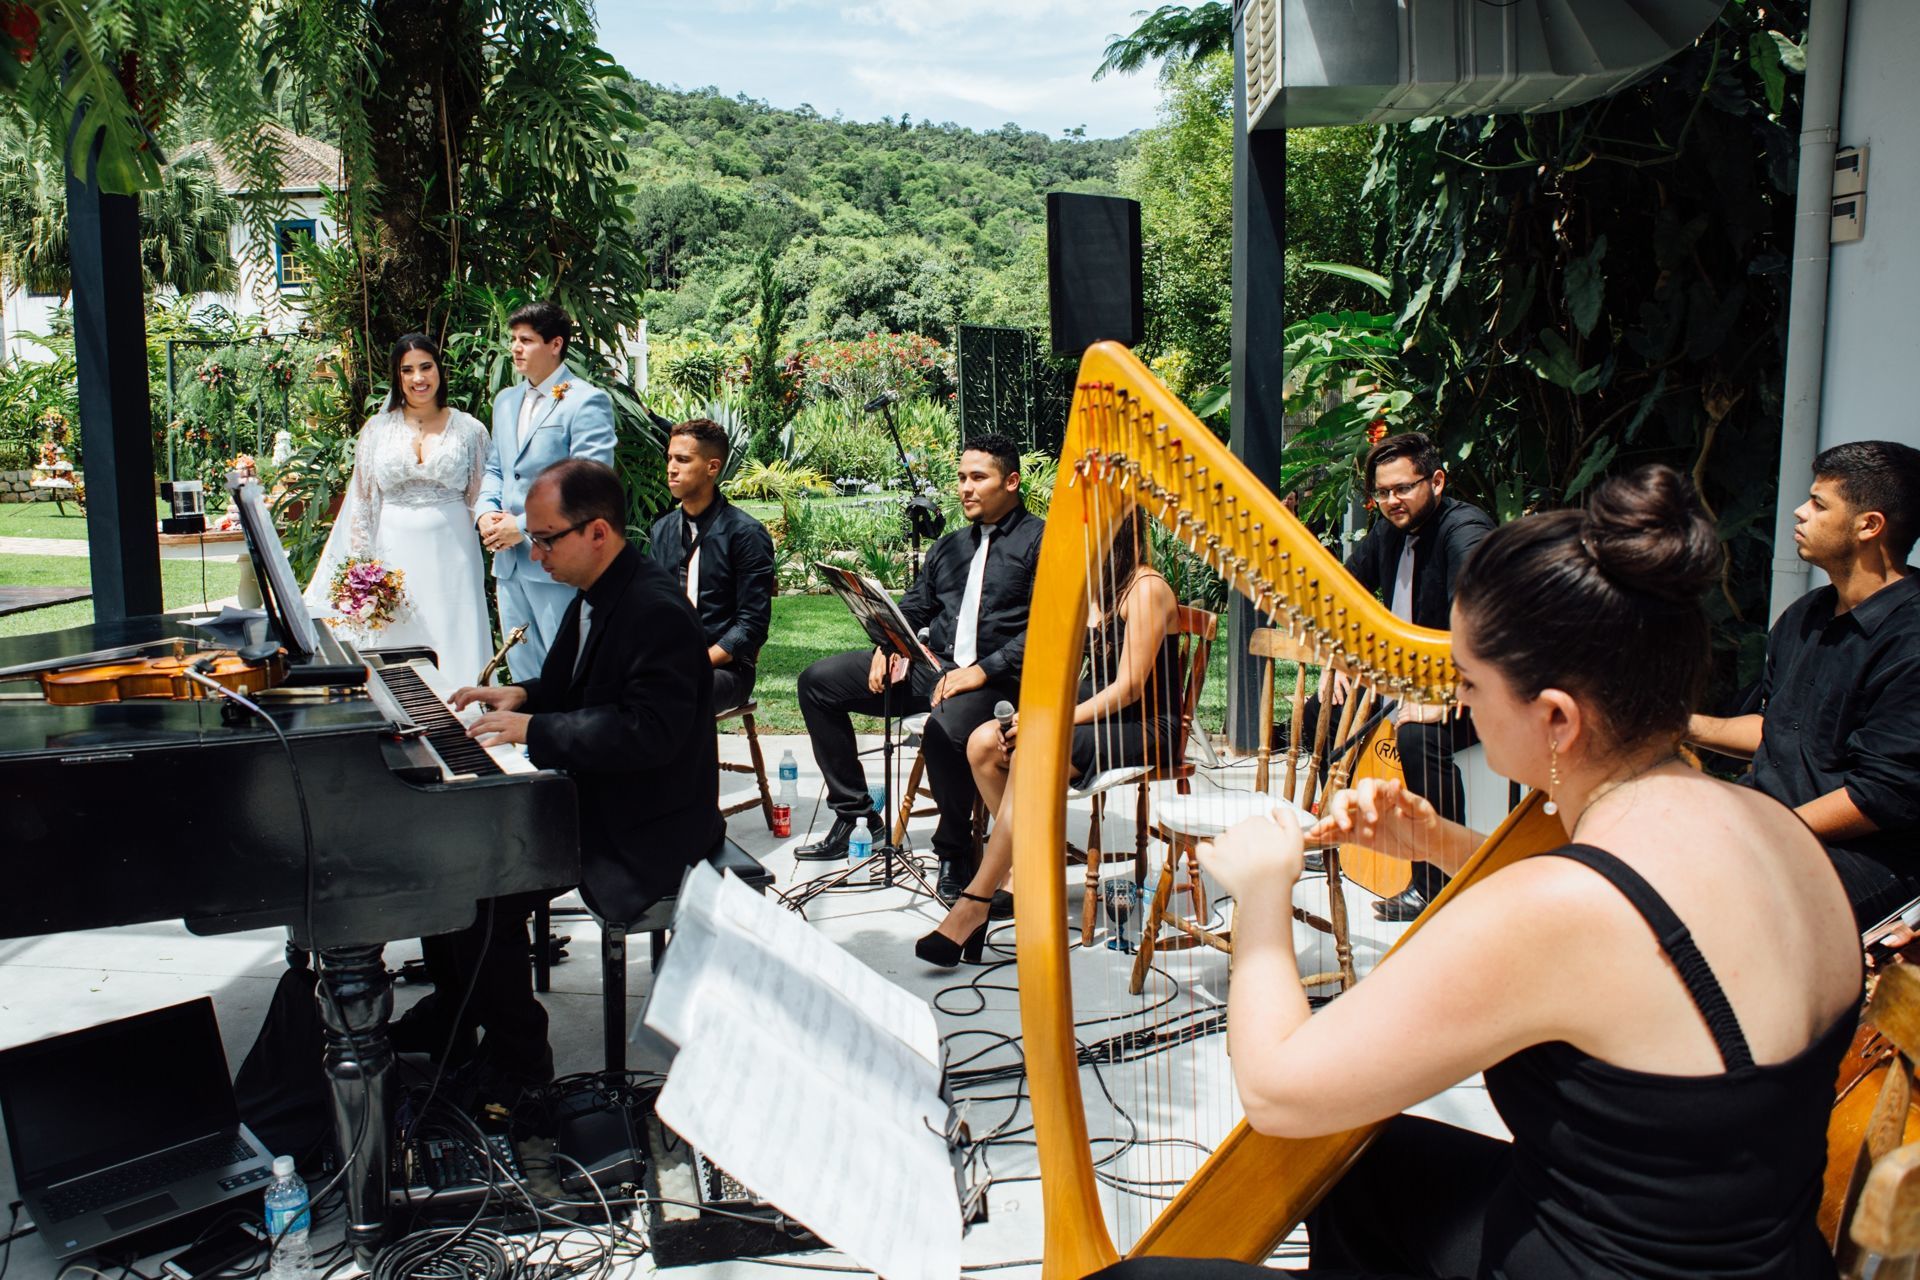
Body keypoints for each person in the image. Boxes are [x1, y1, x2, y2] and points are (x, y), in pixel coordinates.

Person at [1093, 466, 1860, 1280]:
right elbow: (1637, 935)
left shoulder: (1560, 909)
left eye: (1467, 682)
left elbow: (1280, 1093)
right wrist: (1440, 842)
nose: (1457, 703)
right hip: (1753, 1248)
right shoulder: (1776, 827)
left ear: (1557, 717)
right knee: (1373, 1165)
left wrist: (1262, 893)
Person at [397, 459, 721, 1091]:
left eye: (546, 539)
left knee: (479, 888)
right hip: (608, 796)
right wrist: (523, 696)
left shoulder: (654, 609)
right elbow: (576, 686)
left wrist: (534, 731)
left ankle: (518, 1066)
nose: (535, 551)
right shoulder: (601, 589)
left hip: (648, 824)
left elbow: (648, 732)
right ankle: (456, 1019)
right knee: (455, 861)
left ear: (597, 532)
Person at [916, 508, 1178, 965]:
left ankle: (975, 900)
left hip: (1144, 724)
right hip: (1098, 712)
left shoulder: (1146, 588)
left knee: (1032, 751)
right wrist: (1036, 710)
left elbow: (1129, 688)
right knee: (983, 743)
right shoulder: (1099, 589)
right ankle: (1027, 868)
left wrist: (1052, 723)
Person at [794, 433, 1043, 901]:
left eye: (978, 478)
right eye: (961, 477)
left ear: (1011, 481)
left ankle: (955, 851)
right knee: (817, 684)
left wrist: (983, 670)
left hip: (1001, 682)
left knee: (943, 726)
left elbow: (1049, 627)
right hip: (935, 667)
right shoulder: (949, 547)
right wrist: (887, 644)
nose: (965, 488)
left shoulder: (1040, 541)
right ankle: (856, 815)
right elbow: (913, 607)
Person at [1688, 440, 1920, 929]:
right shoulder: (1806, 615)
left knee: (1703, 901)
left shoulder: (1911, 638)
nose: (1800, 511)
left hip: (1868, 858)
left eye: (1818, 503)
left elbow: (1881, 796)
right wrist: (1675, 725)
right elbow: (1780, 730)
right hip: (1775, 827)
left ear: (1869, 525)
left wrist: (1760, 832)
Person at [1336, 431, 1494, 922]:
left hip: (1477, 687)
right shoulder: (1388, 530)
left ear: (1437, 481)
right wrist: (1338, 659)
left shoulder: (1464, 529)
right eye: (1382, 492)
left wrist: (1444, 694)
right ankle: (1342, 840)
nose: (1391, 501)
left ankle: (1436, 884)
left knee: (1419, 736)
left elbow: (1479, 619)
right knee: (1328, 707)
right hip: (1404, 682)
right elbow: (1344, 588)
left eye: (1403, 488)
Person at [303, 334, 492, 682]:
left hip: (454, 553)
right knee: (400, 634)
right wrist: (362, 571)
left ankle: (466, 703)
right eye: (407, 370)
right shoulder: (377, 430)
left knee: (456, 632)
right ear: (397, 376)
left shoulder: (470, 430)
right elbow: (362, 501)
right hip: (394, 554)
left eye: (426, 367)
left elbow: (482, 498)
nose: (418, 378)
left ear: (439, 370)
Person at [474, 301, 617, 679]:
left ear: (555, 344)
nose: (515, 348)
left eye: (526, 340)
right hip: (509, 564)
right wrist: (485, 512)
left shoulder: (585, 400)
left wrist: (522, 526)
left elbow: (591, 484)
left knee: (566, 668)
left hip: (559, 560)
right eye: (514, 339)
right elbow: (496, 468)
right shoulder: (505, 402)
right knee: (521, 667)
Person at [647, 417, 776, 714]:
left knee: (672, 698)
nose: (671, 468)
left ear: (712, 467)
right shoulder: (662, 530)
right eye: (669, 458)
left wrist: (695, 663)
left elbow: (751, 626)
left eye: (682, 459)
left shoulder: (746, 534)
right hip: (668, 663)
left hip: (727, 669)